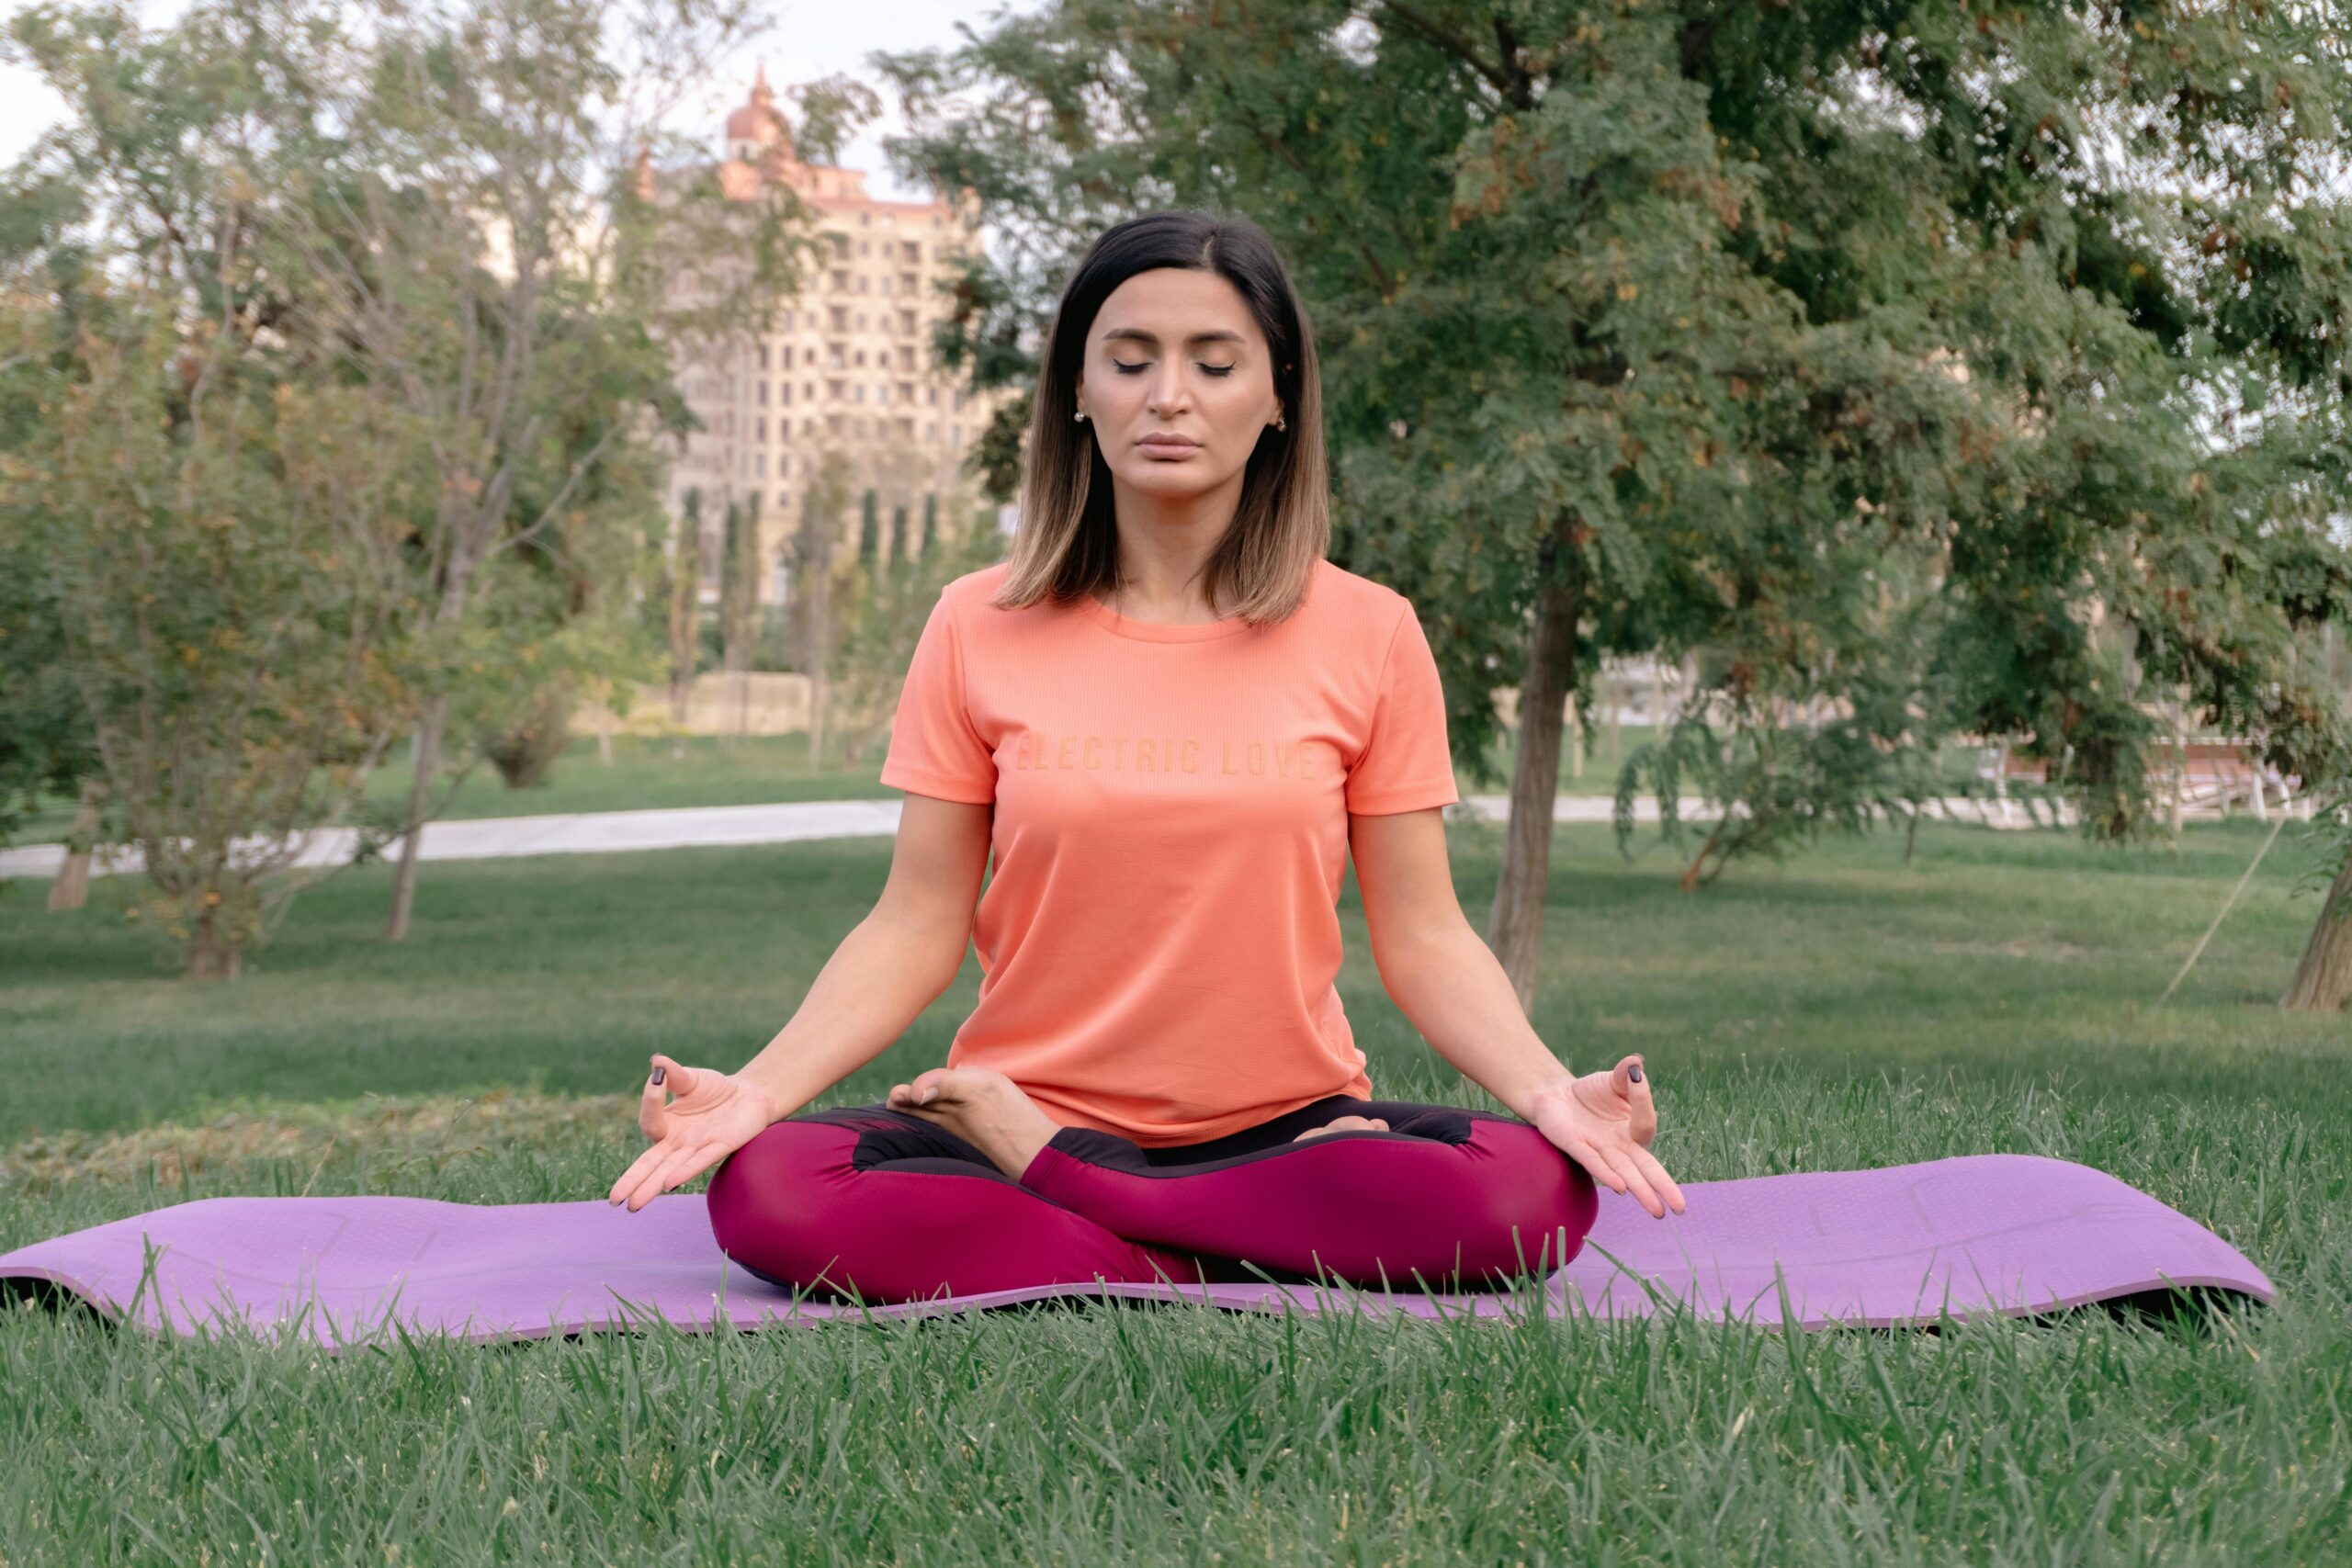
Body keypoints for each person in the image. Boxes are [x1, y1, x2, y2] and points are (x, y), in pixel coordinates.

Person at [606, 209, 1685, 1304]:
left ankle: (1089, 1210)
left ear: (1278, 397)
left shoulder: (1370, 631)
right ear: (1079, 388)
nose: (1168, 394)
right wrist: (757, 1090)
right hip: (1014, 1112)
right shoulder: (975, 620)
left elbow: (1422, 933)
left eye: (1214, 363)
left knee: (1524, 1194)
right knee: (771, 1186)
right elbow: (915, 919)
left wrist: (1552, 1093)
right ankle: (1222, 1241)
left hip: (1280, 1130)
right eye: (1130, 360)